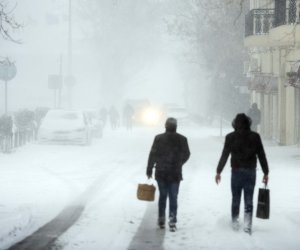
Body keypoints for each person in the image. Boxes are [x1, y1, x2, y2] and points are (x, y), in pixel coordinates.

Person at [215, 113, 269, 235]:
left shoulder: (230, 137)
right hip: (250, 172)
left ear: (235, 124)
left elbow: (224, 155)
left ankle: (235, 222)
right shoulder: (255, 137)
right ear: (248, 123)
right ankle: (247, 225)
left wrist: (219, 171)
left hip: (236, 171)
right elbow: (261, 155)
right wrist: (266, 172)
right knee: (248, 199)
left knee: (235, 198)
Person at [146, 117, 190, 232]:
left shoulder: (158, 138)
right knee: (173, 197)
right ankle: (172, 220)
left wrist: (149, 169)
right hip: (175, 173)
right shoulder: (182, 139)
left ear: (165, 126)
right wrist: (180, 163)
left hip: (161, 172)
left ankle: (161, 219)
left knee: (163, 196)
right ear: (176, 126)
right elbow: (187, 154)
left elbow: (153, 154)